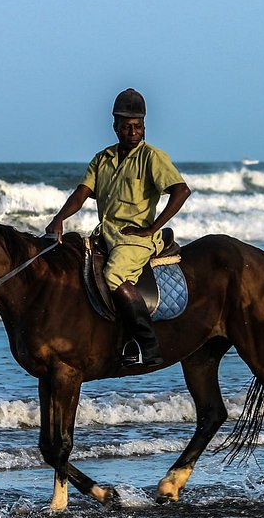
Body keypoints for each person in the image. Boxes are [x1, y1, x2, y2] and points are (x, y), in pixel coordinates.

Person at [45, 88, 191, 367]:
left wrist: (152, 229)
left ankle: (148, 345)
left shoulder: (153, 158)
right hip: (106, 234)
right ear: (115, 127)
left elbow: (181, 191)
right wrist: (59, 218)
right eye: (126, 127)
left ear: (144, 127)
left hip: (135, 239)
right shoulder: (102, 159)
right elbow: (81, 194)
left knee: (113, 276)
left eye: (138, 127)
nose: (133, 132)